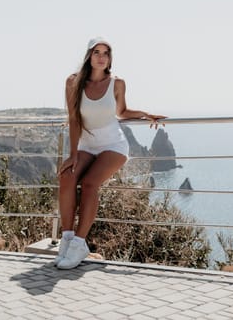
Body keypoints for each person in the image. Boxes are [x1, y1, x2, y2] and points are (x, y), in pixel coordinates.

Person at [55, 37, 166, 269]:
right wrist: (73, 154)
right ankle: (66, 240)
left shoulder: (117, 83)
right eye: (97, 52)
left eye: (106, 52)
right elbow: (74, 119)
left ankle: (79, 244)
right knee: (66, 177)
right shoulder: (73, 82)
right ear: (89, 55)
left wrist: (146, 114)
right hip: (86, 145)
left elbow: (122, 112)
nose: (102, 56)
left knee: (89, 184)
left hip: (113, 145)